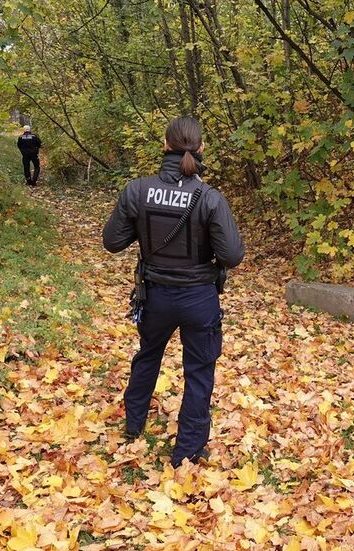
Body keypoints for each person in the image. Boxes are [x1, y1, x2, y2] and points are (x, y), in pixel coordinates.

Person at [102, 116, 244, 466]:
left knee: (148, 354)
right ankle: (189, 450)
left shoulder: (138, 190)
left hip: (154, 296)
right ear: (201, 148)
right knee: (199, 369)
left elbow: (113, 241)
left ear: (165, 145)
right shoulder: (209, 198)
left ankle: (133, 423)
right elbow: (232, 255)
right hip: (198, 298)